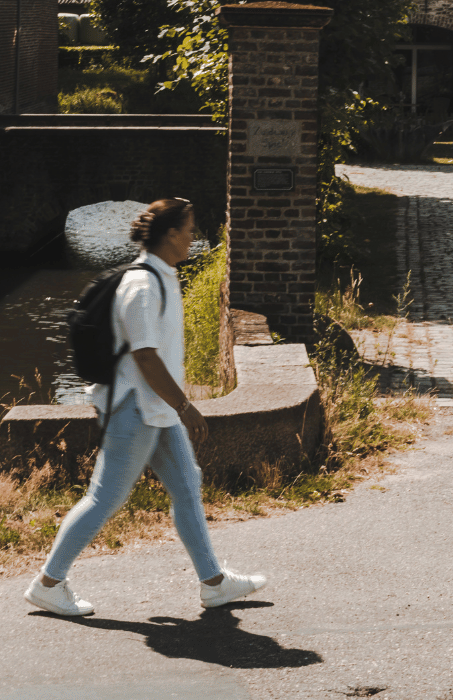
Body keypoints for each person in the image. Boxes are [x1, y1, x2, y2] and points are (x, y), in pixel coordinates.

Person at [24, 198, 267, 616]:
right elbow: (146, 356)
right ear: (170, 234)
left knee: (187, 486)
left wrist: (175, 407)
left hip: (155, 409)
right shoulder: (142, 285)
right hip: (133, 408)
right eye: (189, 229)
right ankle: (48, 583)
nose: (193, 236)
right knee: (105, 498)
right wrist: (185, 405)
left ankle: (213, 583)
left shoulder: (163, 276)